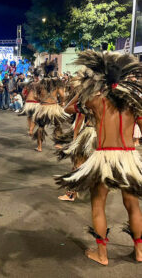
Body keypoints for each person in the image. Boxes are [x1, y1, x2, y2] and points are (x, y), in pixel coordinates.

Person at [56, 51, 142, 265]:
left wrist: (88, 87)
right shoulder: (134, 103)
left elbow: (68, 107)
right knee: (132, 205)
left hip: (104, 156)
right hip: (129, 157)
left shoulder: (95, 100)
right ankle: (140, 252)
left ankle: (102, 255)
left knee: (98, 204)